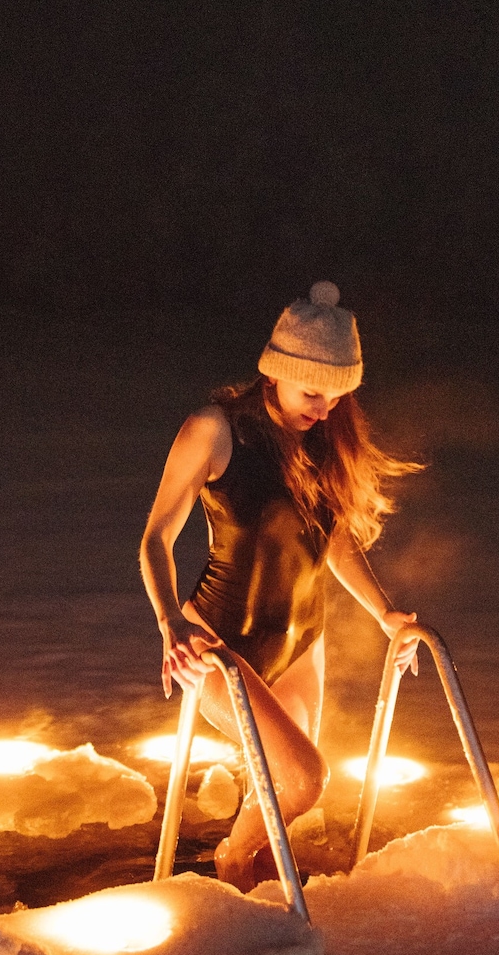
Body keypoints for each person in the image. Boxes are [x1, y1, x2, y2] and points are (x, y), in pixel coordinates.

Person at [140, 281, 422, 891]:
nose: (323, 408)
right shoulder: (216, 429)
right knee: (302, 780)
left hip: (302, 641)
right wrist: (171, 622)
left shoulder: (323, 440)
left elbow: (333, 540)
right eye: (312, 391)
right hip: (220, 642)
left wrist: (385, 614)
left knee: (283, 802)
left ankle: (256, 884)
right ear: (275, 374)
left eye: (337, 396)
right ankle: (230, 863)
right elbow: (155, 538)